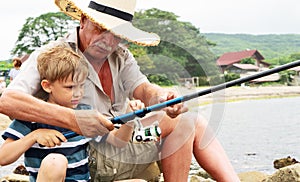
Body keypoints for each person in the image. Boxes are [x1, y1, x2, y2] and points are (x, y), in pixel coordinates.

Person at [0, 0, 240, 181]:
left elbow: (143, 89)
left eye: (116, 34)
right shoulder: (51, 55)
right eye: (100, 29)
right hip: (80, 154)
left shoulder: (120, 55)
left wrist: (163, 98)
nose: (107, 40)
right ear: (82, 20)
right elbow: (7, 101)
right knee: (188, 124)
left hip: (116, 141)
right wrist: (74, 120)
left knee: (187, 120)